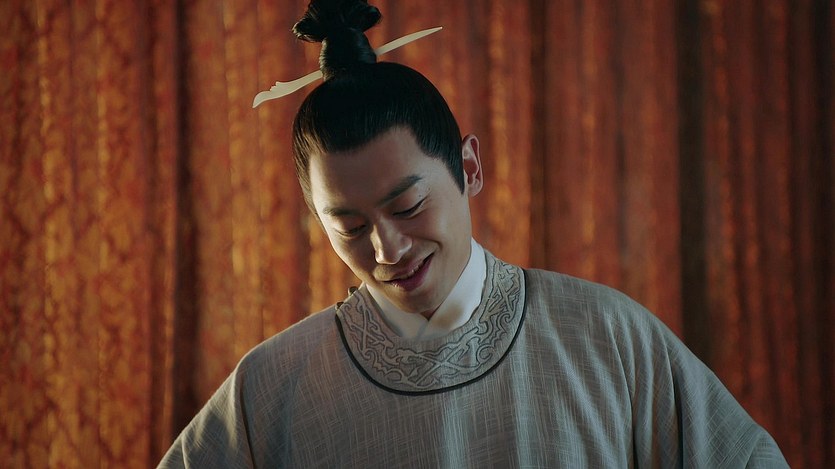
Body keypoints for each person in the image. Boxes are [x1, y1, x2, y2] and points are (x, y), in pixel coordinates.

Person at [159, 1, 788, 467]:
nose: (387, 250)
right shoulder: (272, 388)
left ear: (468, 167)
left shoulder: (608, 339)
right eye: (350, 226)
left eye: (408, 207)